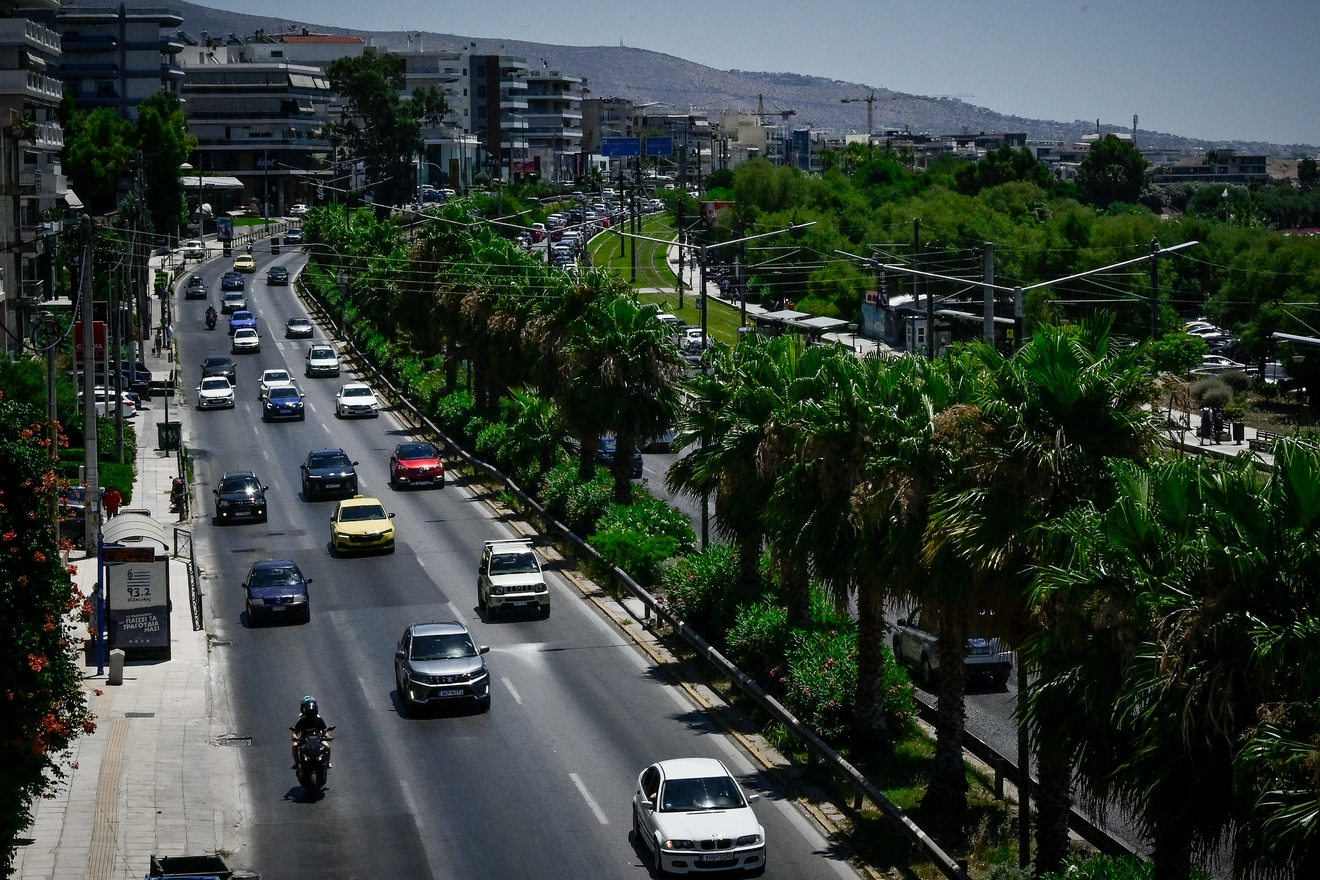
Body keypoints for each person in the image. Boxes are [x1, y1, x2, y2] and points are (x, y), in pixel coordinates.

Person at [291, 695, 330, 768]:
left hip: (318, 739)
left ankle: (327, 763)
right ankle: (297, 763)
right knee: (295, 745)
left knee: (327, 747)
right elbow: (295, 732)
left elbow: (325, 731)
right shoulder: (302, 720)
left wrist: (328, 737)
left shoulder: (319, 720)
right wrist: (295, 737)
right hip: (304, 739)